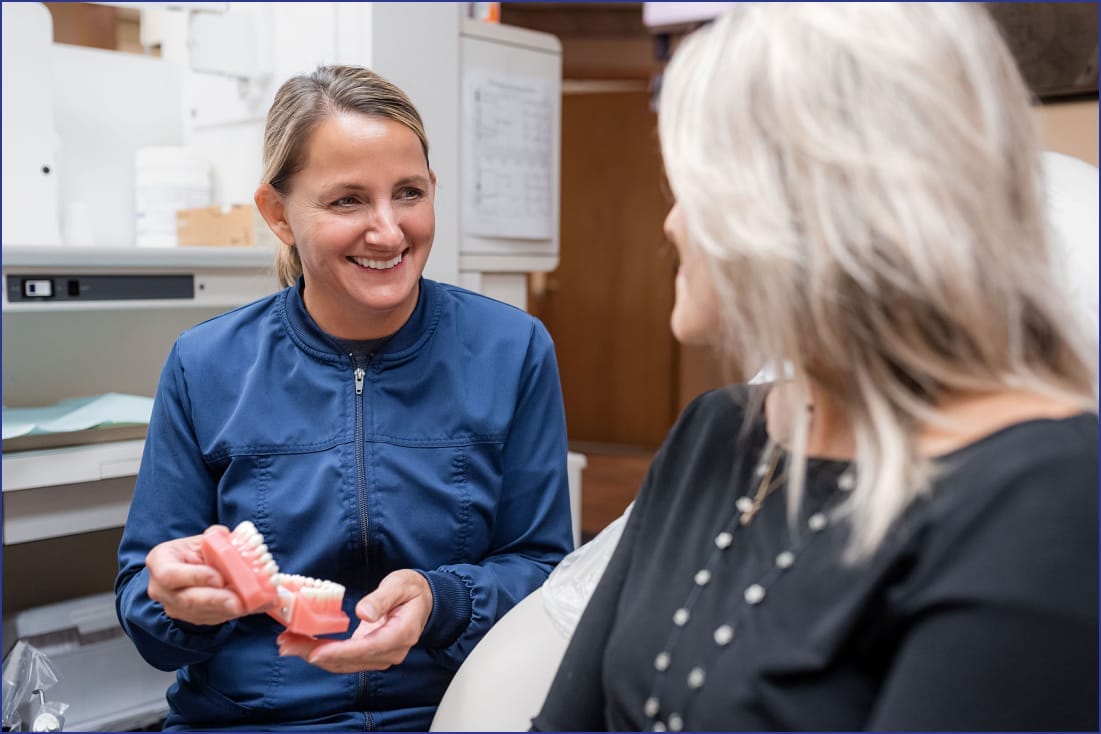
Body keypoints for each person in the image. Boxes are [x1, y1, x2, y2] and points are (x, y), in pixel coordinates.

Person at [533, 3, 1099, 731]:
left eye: (693, 185)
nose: (670, 224)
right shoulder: (715, 432)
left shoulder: (1041, 494)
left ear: (796, 206)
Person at [115, 65, 574, 731]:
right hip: (248, 720)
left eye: (408, 193)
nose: (388, 232)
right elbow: (147, 615)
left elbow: (545, 572)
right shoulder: (205, 364)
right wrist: (177, 602)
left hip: (449, 712)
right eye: (347, 201)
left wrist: (439, 598)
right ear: (277, 213)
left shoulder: (513, 348)